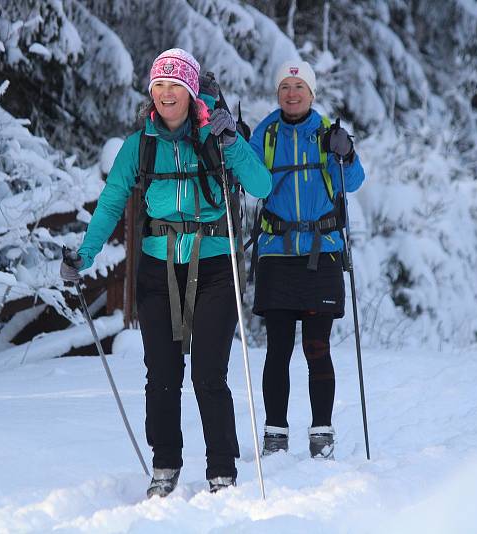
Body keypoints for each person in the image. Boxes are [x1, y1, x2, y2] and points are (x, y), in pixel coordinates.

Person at [60, 48, 271, 497]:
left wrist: (233, 143)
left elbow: (262, 185)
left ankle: (222, 470)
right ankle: (165, 465)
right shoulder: (140, 145)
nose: (167, 93)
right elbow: (112, 201)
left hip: (215, 264)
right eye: (159, 85)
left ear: (192, 90)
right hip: (158, 265)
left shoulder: (218, 134)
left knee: (209, 372)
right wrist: (84, 254)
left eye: (175, 85)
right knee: (161, 373)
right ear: (151, 93)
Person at [248, 60, 366, 459]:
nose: (292, 93)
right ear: (277, 92)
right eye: (285, 86)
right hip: (277, 253)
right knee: (277, 348)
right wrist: (233, 144)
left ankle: (322, 433)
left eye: (299, 86)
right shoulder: (266, 132)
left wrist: (346, 154)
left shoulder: (327, 132)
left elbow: (353, 183)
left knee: (318, 347)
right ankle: (275, 435)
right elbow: (247, 183)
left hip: (322, 251)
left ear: (312, 93)